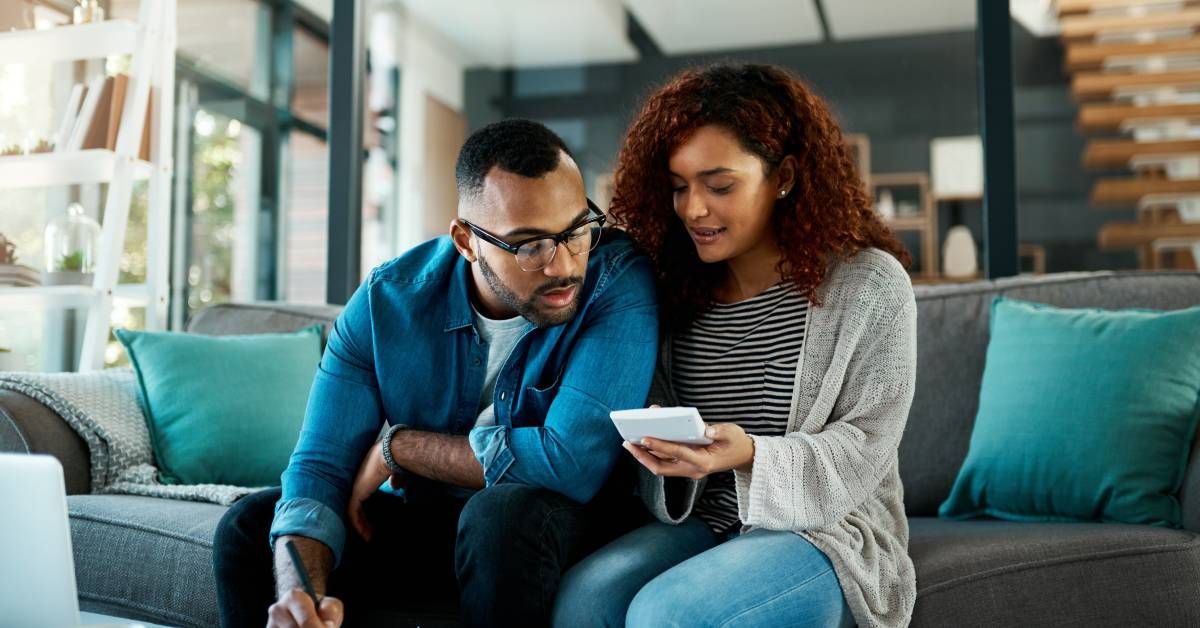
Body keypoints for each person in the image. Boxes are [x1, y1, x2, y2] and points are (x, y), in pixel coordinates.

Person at [213, 119, 658, 628]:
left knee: (499, 517)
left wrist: (401, 447)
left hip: (555, 525)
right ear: (466, 241)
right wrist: (300, 594)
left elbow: (571, 461)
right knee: (250, 526)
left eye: (576, 230)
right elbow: (320, 465)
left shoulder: (616, 282)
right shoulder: (387, 302)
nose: (562, 265)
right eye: (529, 244)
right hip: (434, 523)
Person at [553, 63, 918, 628]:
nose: (693, 209)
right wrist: (667, 456)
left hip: (825, 534)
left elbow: (865, 446)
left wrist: (749, 452)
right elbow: (665, 473)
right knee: (584, 600)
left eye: (719, 185)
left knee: (664, 614)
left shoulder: (869, 286)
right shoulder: (673, 292)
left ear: (786, 177)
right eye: (679, 187)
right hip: (708, 524)